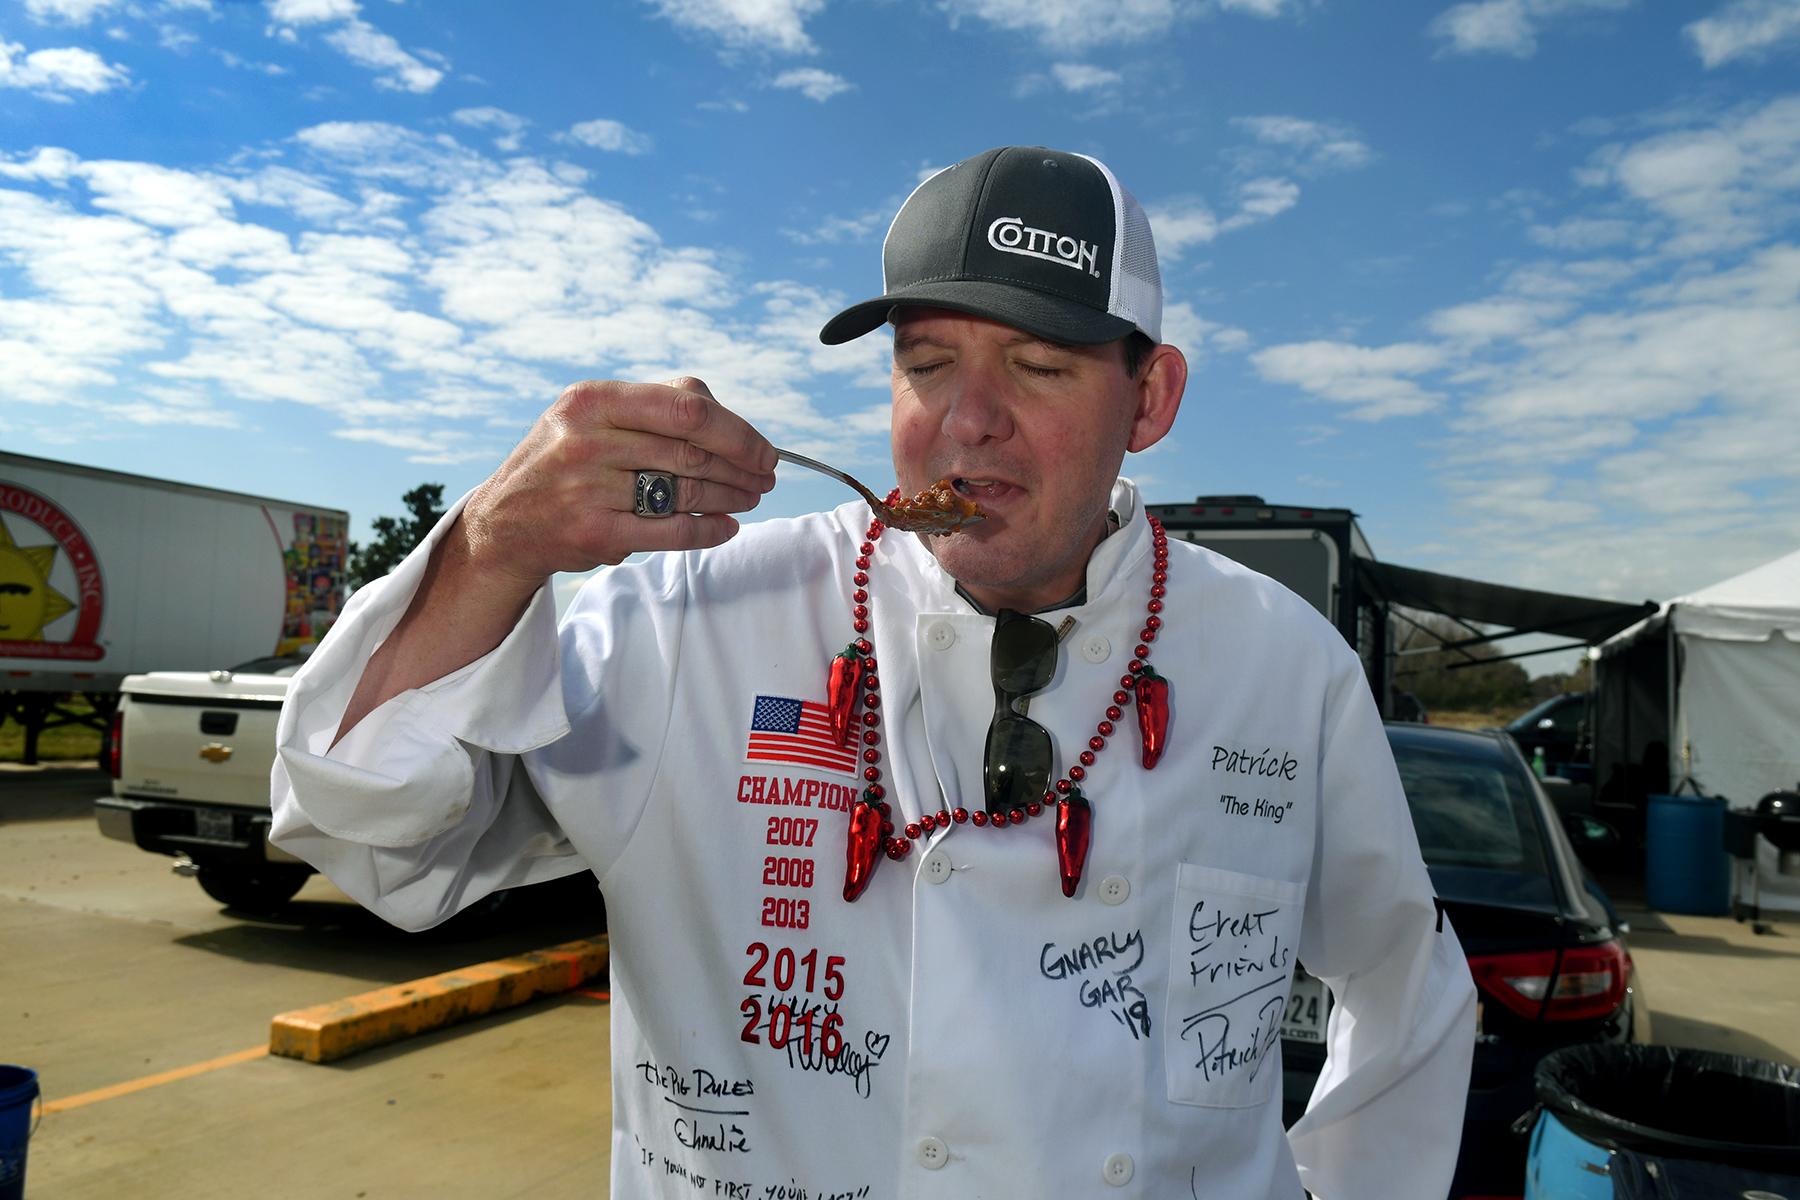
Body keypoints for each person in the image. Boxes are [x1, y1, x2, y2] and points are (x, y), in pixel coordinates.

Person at [272, 145, 1474, 1199]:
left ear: (1149, 397)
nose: (968, 420)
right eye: (928, 363)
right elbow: (372, 840)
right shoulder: (691, 620)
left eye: (1039, 365)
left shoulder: (1280, 666)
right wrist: (493, 550)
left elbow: (1405, 986)